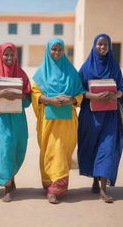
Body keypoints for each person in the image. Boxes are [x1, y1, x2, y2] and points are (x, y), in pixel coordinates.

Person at [31, 38, 84, 204]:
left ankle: (56, 187)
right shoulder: (42, 72)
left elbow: (81, 93)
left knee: (62, 150)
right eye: (53, 49)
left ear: (64, 51)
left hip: (67, 123)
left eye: (59, 49)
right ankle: (50, 184)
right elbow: (35, 94)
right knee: (49, 151)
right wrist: (50, 100)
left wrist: (71, 101)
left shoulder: (72, 72)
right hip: (48, 121)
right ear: (48, 50)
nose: (56, 52)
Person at [78, 34, 123, 203]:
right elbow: (79, 90)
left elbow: (122, 89)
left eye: (105, 45)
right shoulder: (86, 68)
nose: (102, 47)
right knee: (92, 147)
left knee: (107, 149)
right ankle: (94, 180)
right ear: (94, 46)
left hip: (110, 117)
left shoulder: (114, 67)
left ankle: (103, 189)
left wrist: (115, 93)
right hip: (90, 117)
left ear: (109, 47)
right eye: (99, 44)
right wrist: (95, 96)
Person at [0, 43, 31, 202]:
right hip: (0, 119)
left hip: (17, 118)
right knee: (4, 149)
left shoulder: (22, 75)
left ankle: (11, 176)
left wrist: (19, 95)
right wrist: (2, 93)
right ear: (0, 55)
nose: (9, 58)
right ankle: (7, 187)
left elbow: (28, 99)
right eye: (6, 54)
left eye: (12, 55)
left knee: (17, 148)